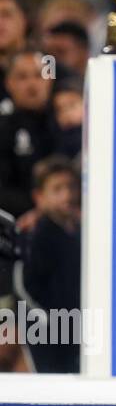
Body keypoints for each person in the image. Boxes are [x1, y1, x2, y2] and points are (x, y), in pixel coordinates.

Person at [14, 155, 81, 373]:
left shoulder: (80, 232)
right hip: (46, 331)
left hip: (75, 330)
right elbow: (24, 285)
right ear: (39, 197)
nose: (67, 195)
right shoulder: (36, 234)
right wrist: (50, 321)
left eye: (71, 187)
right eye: (57, 189)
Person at [0, 49, 58, 231]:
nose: (32, 84)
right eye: (22, 77)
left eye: (38, 76)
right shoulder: (3, 129)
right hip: (14, 226)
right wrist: (41, 208)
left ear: (50, 81)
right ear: (8, 83)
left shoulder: (65, 124)